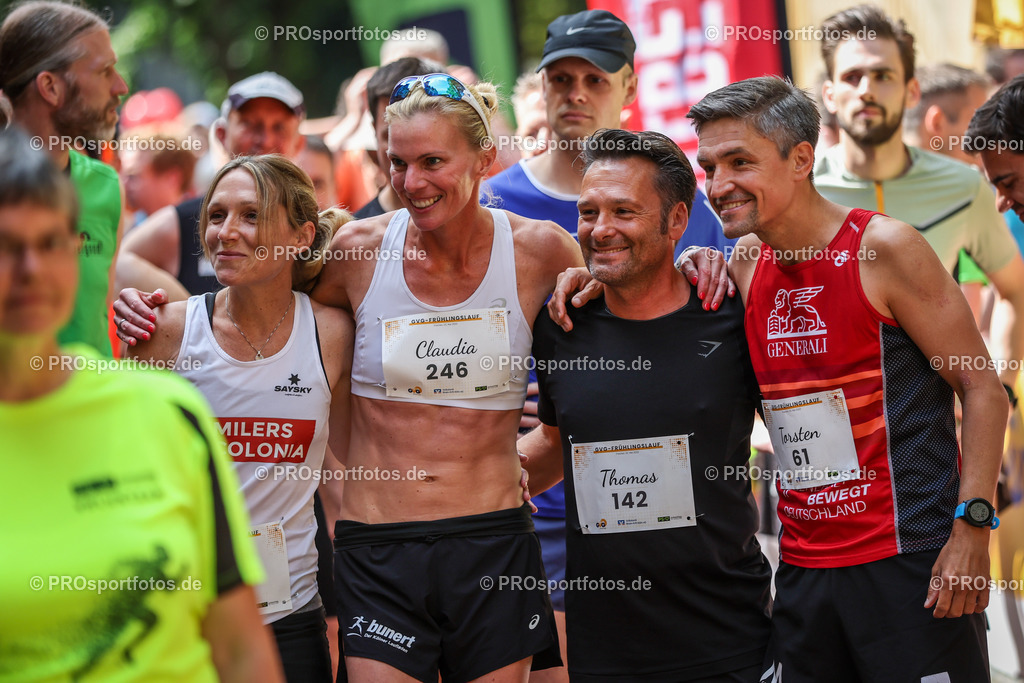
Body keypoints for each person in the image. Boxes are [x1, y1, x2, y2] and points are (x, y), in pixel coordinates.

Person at [116, 72, 582, 682]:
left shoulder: (544, 253)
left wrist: (701, 261)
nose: (412, 183)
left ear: (485, 157)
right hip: (378, 550)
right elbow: (262, 304)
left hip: (493, 541)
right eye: (398, 162)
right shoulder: (357, 253)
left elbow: (602, 353)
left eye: (433, 161)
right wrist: (165, 315)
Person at [0, 129, 282, 681]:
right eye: (7, 247)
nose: (31, 270)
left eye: (52, 242)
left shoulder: (168, 411)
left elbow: (239, 646)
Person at [518, 128, 772, 682]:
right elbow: (555, 445)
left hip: (729, 636)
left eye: (624, 211)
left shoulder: (731, 312)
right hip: (604, 647)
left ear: (677, 221)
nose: (600, 230)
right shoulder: (561, 324)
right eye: (588, 212)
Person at [122, 154, 353, 682]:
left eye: (251, 215)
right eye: (217, 215)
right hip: (188, 610)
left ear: (301, 237)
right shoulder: (166, 331)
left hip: (291, 613)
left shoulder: (332, 334)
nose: (227, 232)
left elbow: (352, 464)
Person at [813, 4, 1024, 388]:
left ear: (912, 90)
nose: (866, 90)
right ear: (829, 93)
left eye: (883, 75)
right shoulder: (797, 190)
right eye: (852, 76)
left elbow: (1015, 290)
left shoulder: (964, 186)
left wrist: (1001, 390)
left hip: (931, 431)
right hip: (822, 431)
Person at [0, 0, 130, 356]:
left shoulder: (107, 185)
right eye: (104, 71)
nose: (120, 86)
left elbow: (96, 315)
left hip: (94, 406)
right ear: (50, 87)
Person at [118, 72, 306, 298]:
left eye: (279, 128)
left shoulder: (314, 225)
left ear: (299, 143)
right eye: (250, 124)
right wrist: (192, 317)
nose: (265, 139)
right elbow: (120, 264)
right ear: (222, 134)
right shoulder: (184, 222)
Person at [352, 57, 443, 219]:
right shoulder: (353, 237)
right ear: (374, 130)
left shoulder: (496, 222)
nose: (409, 150)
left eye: (425, 133)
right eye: (392, 134)